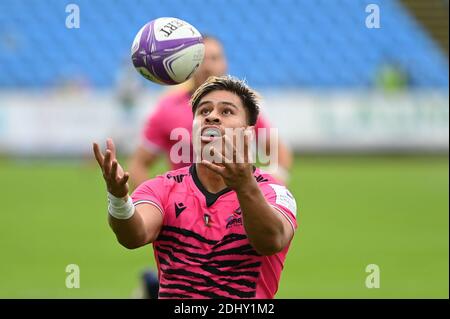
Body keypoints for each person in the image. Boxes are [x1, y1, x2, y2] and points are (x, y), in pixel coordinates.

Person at [93, 76, 298, 299]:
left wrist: (244, 186)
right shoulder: (162, 188)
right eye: (204, 111)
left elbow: (271, 241)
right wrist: (119, 199)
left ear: (249, 132)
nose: (212, 116)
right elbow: (133, 236)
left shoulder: (273, 193)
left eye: (227, 111)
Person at [128, 35, 293, 189]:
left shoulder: (242, 105)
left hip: (236, 209)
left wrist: (270, 192)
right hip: (186, 211)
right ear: (187, 64)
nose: (207, 66)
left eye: (214, 58)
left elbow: (278, 153)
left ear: (224, 63)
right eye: (200, 59)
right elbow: (139, 164)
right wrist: (157, 201)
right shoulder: (168, 108)